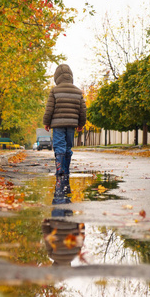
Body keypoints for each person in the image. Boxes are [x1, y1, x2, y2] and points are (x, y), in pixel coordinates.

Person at [43, 64, 86, 202]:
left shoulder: (54, 91)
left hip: (57, 124)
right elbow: (82, 110)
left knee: (59, 145)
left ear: (57, 77)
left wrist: (47, 122)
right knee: (68, 146)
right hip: (72, 124)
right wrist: (81, 123)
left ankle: (60, 169)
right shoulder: (78, 92)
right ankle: (66, 170)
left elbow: (49, 108)